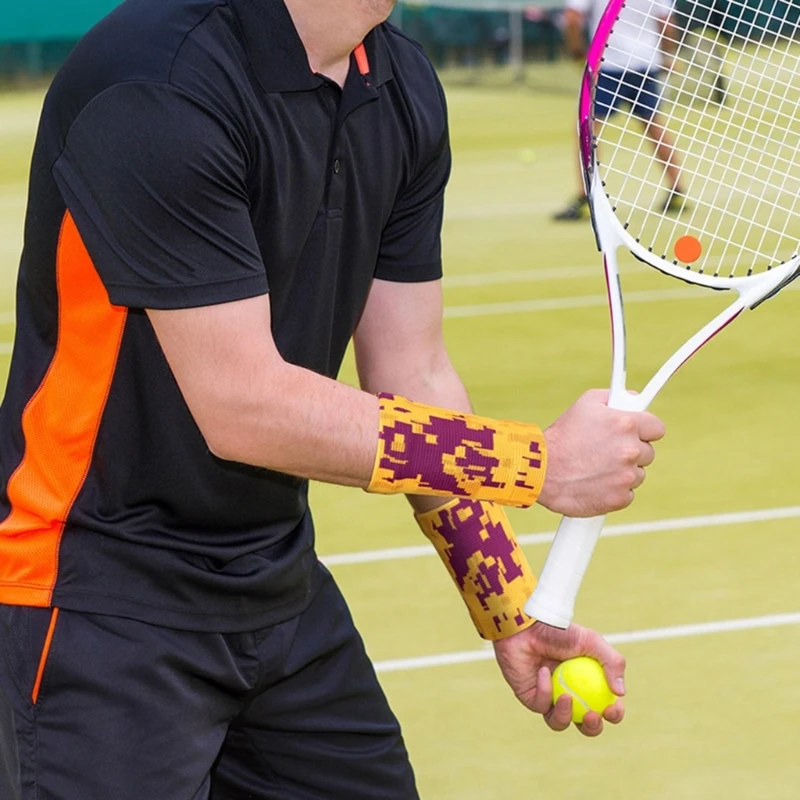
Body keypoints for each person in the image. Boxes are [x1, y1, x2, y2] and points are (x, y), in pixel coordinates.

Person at [0, 1, 666, 797]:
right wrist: (537, 463)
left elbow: (412, 373)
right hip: (91, 600)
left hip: (277, 588)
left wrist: (510, 605)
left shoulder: (401, 83)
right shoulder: (157, 80)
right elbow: (243, 406)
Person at [554, 0, 689, 220]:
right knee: (653, 123)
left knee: (587, 128)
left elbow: (572, 19)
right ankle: (677, 188)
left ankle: (586, 196)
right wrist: (667, 56)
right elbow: (666, 22)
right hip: (645, 62)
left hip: (608, 64)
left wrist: (578, 54)